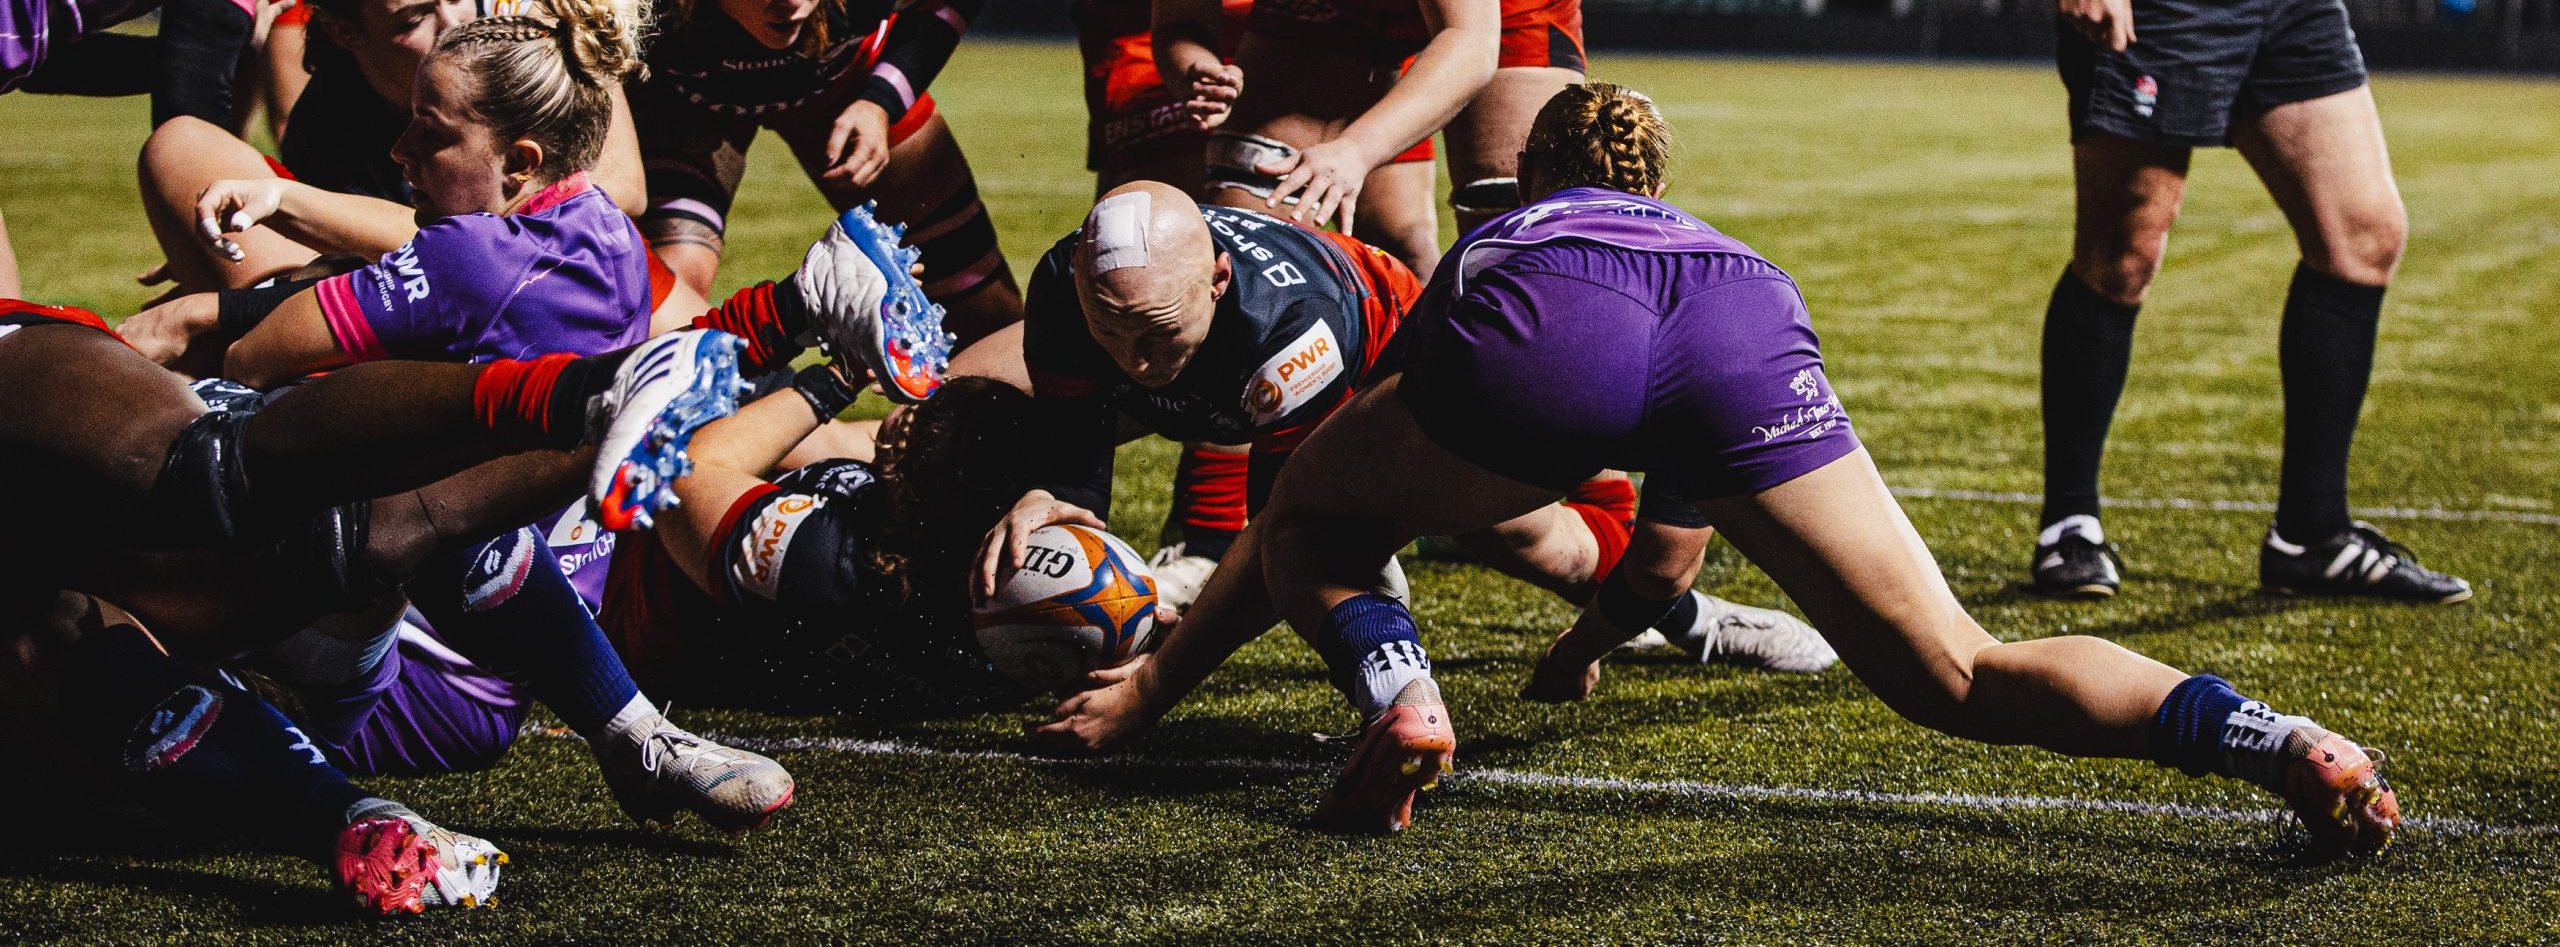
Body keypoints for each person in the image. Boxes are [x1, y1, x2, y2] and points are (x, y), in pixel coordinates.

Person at [1034, 85, 2403, 859]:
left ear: (1532, 173)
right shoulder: (1697, 231)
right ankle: (2278, 740)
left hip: (1548, 321)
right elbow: (1671, 550)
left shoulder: (1510, 226)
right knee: (1961, 668)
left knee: (1316, 520)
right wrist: (1591, 635)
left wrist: (1154, 685)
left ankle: (1402, 702)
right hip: (1748, 315)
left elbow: (1328, 494)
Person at [972, 182, 1834, 685]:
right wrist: (1062, 497)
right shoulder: (1070, 285)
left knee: (1536, 544)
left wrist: (1162, 647)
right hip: (1234, 374)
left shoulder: (1291, 334)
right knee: (969, 418)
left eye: (1155, 332)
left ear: (1219, 279)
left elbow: (1283, 534)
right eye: (1110, 330)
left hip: (1382, 357)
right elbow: (1074, 418)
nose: (1131, 357)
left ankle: (1696, 621)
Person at [2031, 0, 2470, 602]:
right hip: (2165, 12)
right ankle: (2069, 524)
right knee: (2122, 254)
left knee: (2363, 237)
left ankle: (2312, 536)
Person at [632, 0, 1020, 345]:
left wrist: (881, 100)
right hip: (681, 103)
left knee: (984, 310)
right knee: (658, 296)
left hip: (843, 81)